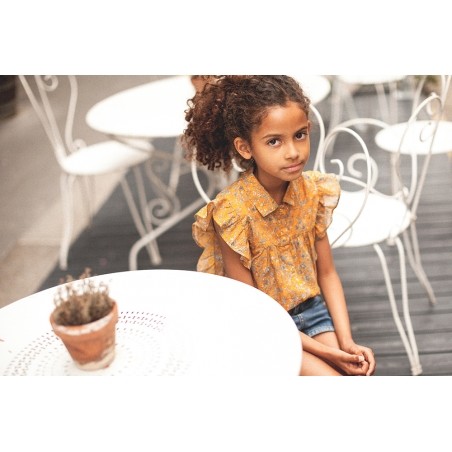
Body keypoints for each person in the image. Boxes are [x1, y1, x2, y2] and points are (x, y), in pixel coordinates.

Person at [182, 75, 376, 376]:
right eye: (274, 141)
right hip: (263, 325)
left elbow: (327, 273)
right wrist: (331, 354)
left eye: (300, 135)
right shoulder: (231, 213)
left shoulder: (312, 192)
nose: (293, 152)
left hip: (312, 313)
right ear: (245, 147)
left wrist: (347, 344)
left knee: (355, 371)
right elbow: (254, 309)